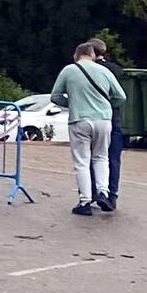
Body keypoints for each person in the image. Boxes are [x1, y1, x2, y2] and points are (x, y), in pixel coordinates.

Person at [50, 42, 126, 216]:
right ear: (92, 55)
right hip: (104, 120)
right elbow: (121, 96)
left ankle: (85, 201)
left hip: (80, 119)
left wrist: (72, 104)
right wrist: (107, 106)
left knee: (82, 161)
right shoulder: (105, 71)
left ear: (76, 55)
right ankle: (103, 193)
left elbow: (55, 96)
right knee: (102, 157)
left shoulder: (69, 70)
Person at [85, 38, 127, 208]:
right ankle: (112, 194)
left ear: (92, 52)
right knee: (113, 157)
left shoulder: (88, 69)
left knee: (92, 156)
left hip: (93, 116)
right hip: (114, 116)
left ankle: (94, 192)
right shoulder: (117, 70)